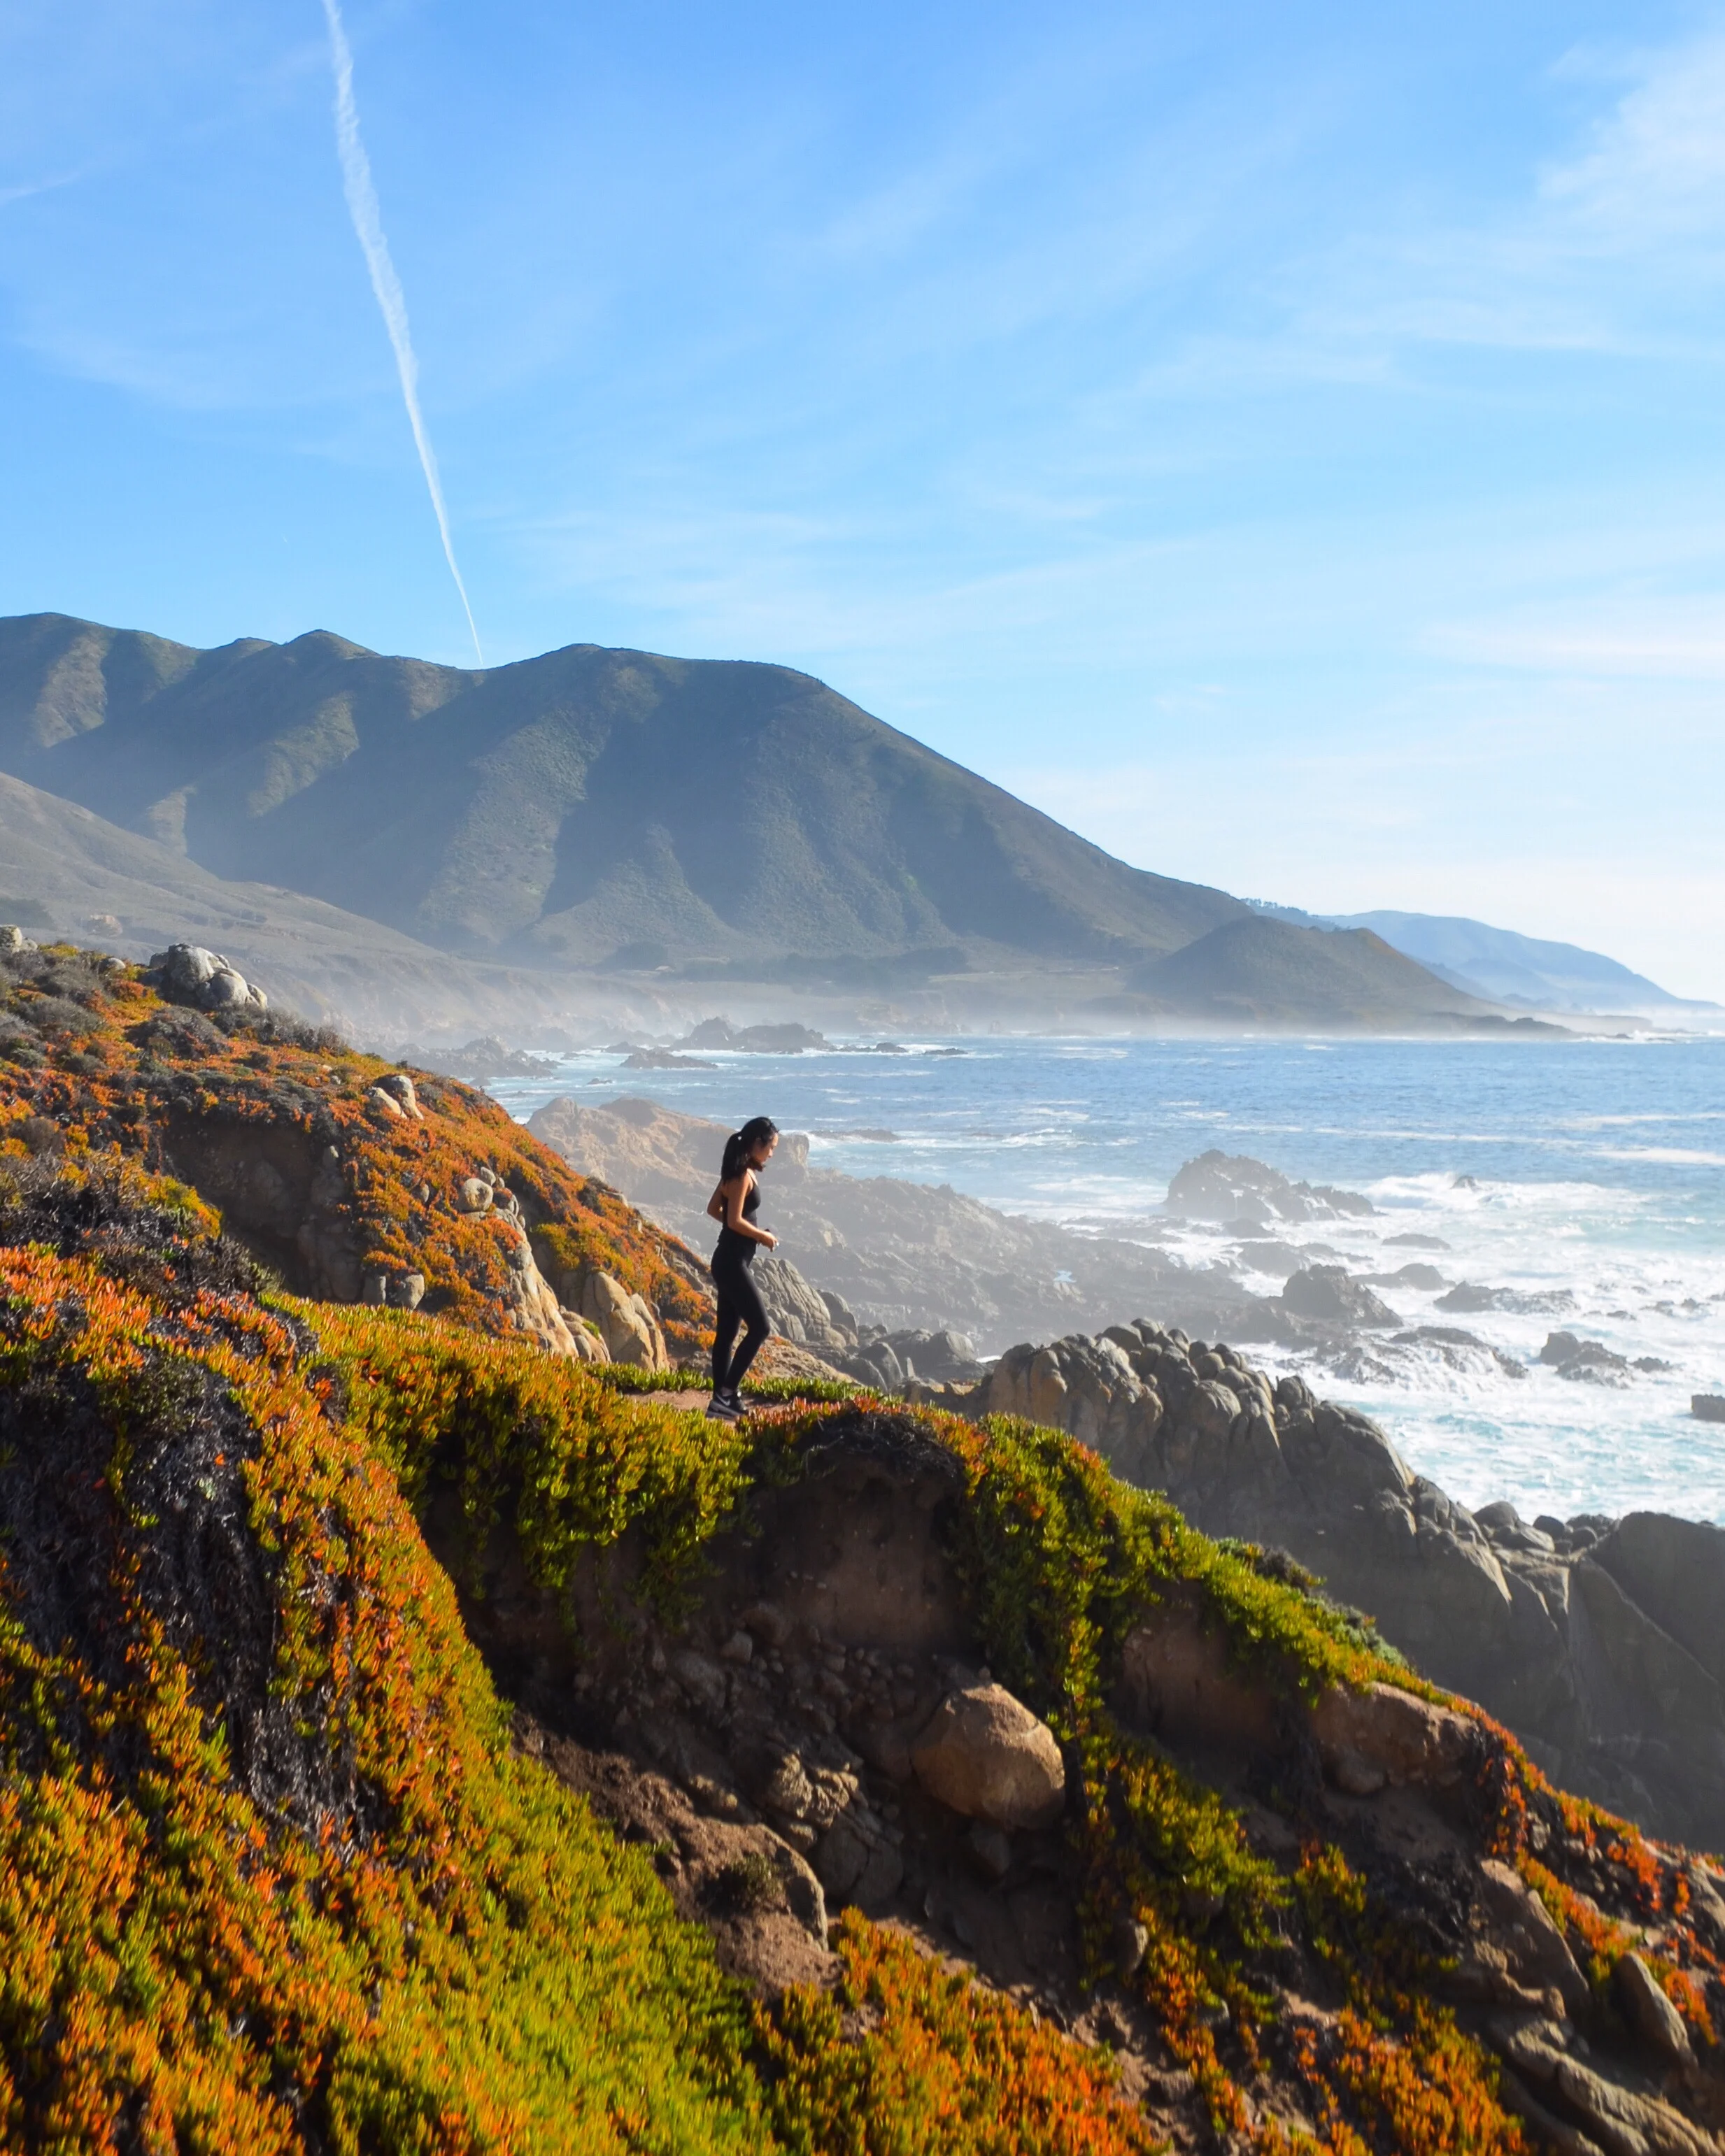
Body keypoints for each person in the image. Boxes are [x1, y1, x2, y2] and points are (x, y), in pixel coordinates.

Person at [705, 1115, 779, 1419]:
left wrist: (749, 1234)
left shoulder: (740, 1171)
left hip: (730, 1260)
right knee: (761, 1327)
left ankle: (719, 1403)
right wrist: (762, 1236)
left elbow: (713, 1209)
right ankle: (727, 1393)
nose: (772, 1153)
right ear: (757, 1144)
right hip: (732, 1262)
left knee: (727, 1334)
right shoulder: (741, 1176)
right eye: (771, 1147)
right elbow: (732, 1219)